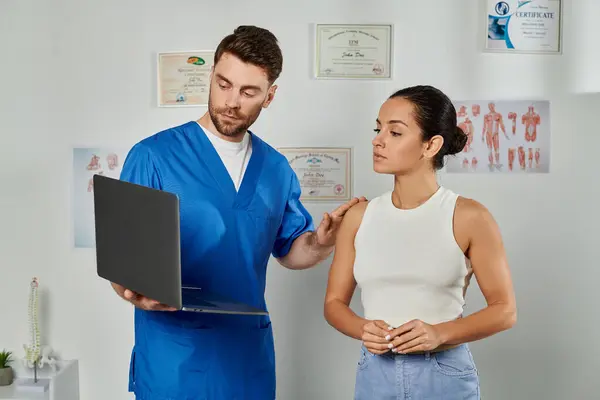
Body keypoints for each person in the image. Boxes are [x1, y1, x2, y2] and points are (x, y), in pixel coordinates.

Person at [111, 25, 366, 400]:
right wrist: (132, 292)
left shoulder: (276, 169)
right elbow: (123, 261)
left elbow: (292, 250)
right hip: (173, 356)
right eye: (223, 84)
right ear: (211, 76)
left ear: (269, 96)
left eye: (248, 92)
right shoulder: (153, 156)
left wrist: (323, 242)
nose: (231, 101)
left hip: (247, 357)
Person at [324, 85, 517, 399]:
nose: (378, 139)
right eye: (378, 128)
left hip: (443, 372)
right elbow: (334, 304)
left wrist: (438, 333)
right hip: (374, 372)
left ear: (431, 145)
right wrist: (362, 328)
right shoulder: (359, 216)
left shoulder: (469, 217)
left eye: (395, 132)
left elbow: (505, 311)